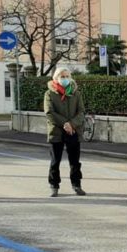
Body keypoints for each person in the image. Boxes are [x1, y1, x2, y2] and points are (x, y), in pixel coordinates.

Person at [44, 67, 86, 197]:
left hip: (73, 131)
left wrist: (71, 124)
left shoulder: (76, 93)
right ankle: (54, 185)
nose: (65, 79)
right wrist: (64, 124)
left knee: (75, 161)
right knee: (55, 161)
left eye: (67, 76)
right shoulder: (49, 94)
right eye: (62, 76)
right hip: (56, 131)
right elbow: (49, 112)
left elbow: (81, 112)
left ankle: (76, 185)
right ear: (56, 78)